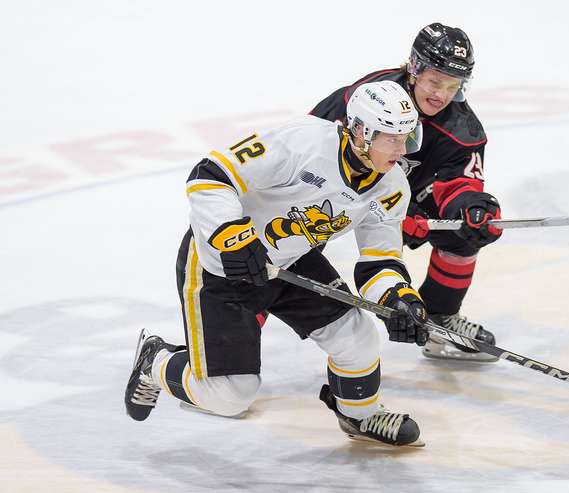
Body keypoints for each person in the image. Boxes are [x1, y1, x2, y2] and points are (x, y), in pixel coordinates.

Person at [124, 80, 429, 447]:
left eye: (407, 138)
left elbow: (379, 259)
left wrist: (399, 298)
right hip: (221, 268)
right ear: (362, 133)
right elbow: (210, 175)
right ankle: (155, 360)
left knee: (356, 335)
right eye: (393, 139)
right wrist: (232, 237)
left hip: (291, 261)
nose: (403, 149)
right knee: (230, 396)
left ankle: (359, 415)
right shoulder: (304, 142)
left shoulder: (392, 184)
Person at [310, 22, 502, 363]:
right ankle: (231, 322)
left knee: (463, 234)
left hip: (405, 195)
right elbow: (313, 145)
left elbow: (460, 184)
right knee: (289, 241)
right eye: (434, 81)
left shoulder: (463, 130)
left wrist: (473, 209)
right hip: (336, 185)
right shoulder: (368, 97)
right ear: (414, 69)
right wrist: (392, 213)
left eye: (452, 85)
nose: (441, 94)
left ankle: (440, 318)